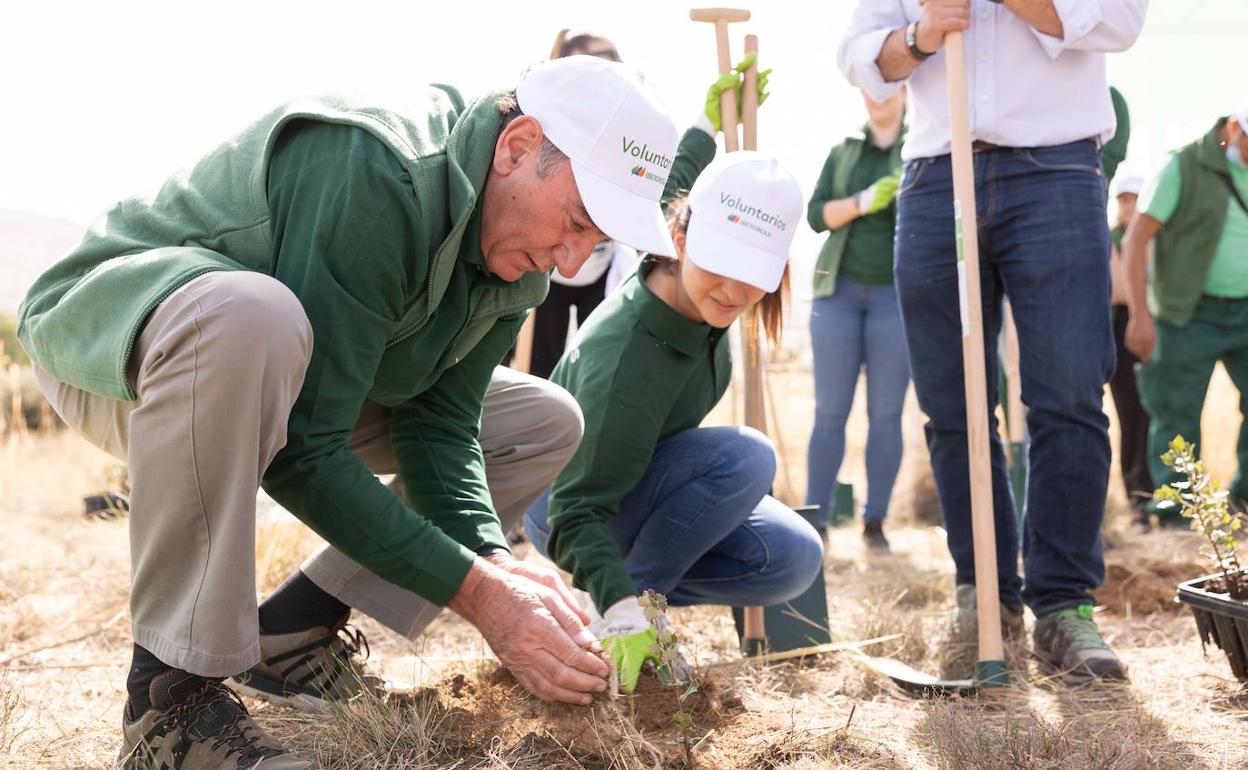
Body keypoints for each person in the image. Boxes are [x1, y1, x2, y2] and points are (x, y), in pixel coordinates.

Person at [19, 56, 680, 768]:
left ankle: (295, 633)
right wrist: (481, 595)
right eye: (577, 220)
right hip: (125, 340)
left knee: (543, 419)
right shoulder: (377, 171)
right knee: (253, 317)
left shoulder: (516, 252)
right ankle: (171, 702)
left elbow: (440, 423)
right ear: (518, 147)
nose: (572, 257)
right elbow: (304, 447)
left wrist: (492, 559)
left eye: (599, 242)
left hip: (274, 370)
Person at [839, 0, 1147, 683]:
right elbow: (860, 56)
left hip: (1056, 173)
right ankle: (983, 595)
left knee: (1067, 394)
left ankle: (1063, 604)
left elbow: (1122, 20)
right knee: (954, 408)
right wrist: (920, 34)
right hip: (934, 177)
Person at [524, 94, 823, 695]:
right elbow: (576, 512)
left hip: (639, 483)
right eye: (721, 261)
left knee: (790, 557)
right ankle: (624, 611)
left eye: (754, 271)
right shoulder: (630, 362)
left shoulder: (678, 254)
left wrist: (713, 119)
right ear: (683, 239)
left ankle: (622, 592)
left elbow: (681, 176)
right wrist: (624, 605)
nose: (734, 290)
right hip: (568, 504)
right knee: (747, 457)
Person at [1123, 106, 1248, 525]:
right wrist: (1140, 315)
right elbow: (1136, 239)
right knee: (1176, 414)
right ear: (1234, 129)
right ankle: (1177, 516)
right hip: (1188, 311)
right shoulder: (1182, 166)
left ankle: (1243, 502)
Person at [805, 87, 909, 552]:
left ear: (906, 91)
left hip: (896, 298)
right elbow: (816, 215)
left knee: (886, 415)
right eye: (869, 88)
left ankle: (876, 521)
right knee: (829, 412)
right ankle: (815, 520)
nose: (877, 97)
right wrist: (865, 201)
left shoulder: (923, 146)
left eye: (887, 87)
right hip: (837, 294)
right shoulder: (842, 151)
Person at [526, 30, 641, 378]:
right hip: (548, 268)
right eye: (599, 62)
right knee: (537, 369)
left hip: (602, 269)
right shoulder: (547, 119)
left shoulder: (630, 126)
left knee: (596, 369)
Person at [1107, 172, 1154, 528]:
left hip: (1156, 320)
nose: (1128, 205)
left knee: (1155, 410)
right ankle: (1136, 499)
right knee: (1129, 413)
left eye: (1134, 198)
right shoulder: (1106, 238)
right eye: (1123, 199)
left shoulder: (1158, 237)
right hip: (1118, 325)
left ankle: (1161, 495)